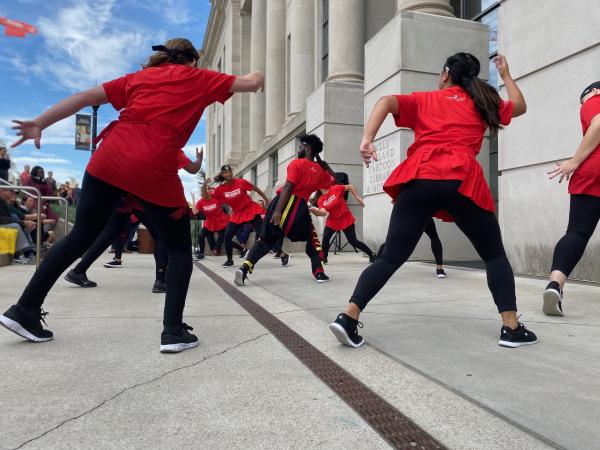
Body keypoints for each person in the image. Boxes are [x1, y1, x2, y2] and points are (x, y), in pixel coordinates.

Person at [0, 38, 264, 353]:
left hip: (107, 158)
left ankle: (24, 309)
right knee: (179, 248)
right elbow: (251, 83)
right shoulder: (201, 77)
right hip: (153, 165)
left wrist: (40, 122)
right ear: (192, 60)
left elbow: (85, 96)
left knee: (80, 235)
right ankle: (173, 332)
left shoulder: (137, 78)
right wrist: (260, 69)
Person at [329, 53, 537, 349]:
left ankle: (348, 317)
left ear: (445, 74)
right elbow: (520, 106)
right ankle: (511, 328)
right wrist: (505, 75)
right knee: (493, 255)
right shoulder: (484, 103)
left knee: (390, 256)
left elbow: (386, 101)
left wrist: (367, 137)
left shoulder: (426, 99)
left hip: (421, 176)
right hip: (462, 180)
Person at [234, 134, 335, 286]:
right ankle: (319, 272)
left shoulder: (297, 164)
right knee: (312, 241)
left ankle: (244, 268)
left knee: (264, 242)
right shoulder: (321, 173)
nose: (299, 149)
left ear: (308, 149)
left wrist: (277, 211)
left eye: (301, 146)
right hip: (300, 210)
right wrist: (326, 167)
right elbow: (335, 182)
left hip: (282, 204)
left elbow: (288, 187)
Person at [543, 81, 600, 316]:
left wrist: (575, 161)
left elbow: (598, 122)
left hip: (592, 171)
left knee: (577, 232)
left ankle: (555, 283)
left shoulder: (595, 100)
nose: (583, 106)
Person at [211, 165, 269, 267]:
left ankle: (282, 254)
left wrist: (266, 199)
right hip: (237, 213)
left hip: (249, 209)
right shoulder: (220, 189)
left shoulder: (241, 182)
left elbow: (255, 188)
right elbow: (210, 196)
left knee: (263, 233)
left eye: (230, 171)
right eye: (226, 172)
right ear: (223, 175)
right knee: (227, 236)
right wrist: (205, 187)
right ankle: (230, 260)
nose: (229, 173)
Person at [312, 182, 376, 264]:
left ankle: (372, 255)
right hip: (332, 220)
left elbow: (350, 186)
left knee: (353, 241)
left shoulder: (335, 188)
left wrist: (357, 197)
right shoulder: (321, 200)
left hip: (345, 217)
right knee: (325, 238)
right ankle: (324, 258)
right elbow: (323, 212)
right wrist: (315, 211)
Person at [376, 218, 447, 278]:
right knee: (433, 236)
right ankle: (439, 269)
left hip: (407, 214)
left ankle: (376, 264)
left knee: (394, 239)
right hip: (422, 213)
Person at [191, 181, 230, 259]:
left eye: (208, 189)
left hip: (220, 220)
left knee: (223, 236)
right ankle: (201, 253)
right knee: (201, 235)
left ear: (210, 190)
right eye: (205, 190)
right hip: (209, 222)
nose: (207, 191)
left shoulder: (216, 197)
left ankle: (216, 249)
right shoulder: (201, 201)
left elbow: (226, 199)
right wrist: (193, 199)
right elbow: (195, 212)